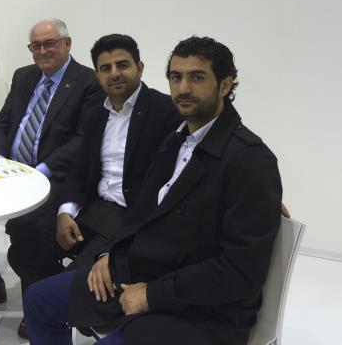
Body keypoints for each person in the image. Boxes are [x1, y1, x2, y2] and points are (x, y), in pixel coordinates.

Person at [23, 36, 283, 345]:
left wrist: (152, 295)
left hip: (202, 308)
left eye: (197, 77)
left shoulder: (250, 161)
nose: (183, 88)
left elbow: (240, 273)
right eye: (176, 77)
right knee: (38, 300)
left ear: (225, 85)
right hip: (148, 270)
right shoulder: (176, 141)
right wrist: (112, 254)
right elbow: (143, 213)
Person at [7, 33, 180, 328]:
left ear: (139, 68)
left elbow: (176, 177)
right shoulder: (97, 114)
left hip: (130, 216)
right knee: (24, 243)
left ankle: (61, 308)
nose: (114, 74)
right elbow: (79, 168)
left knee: (67, 289)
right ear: (97, 75)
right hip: (92, 209)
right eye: (105, 68)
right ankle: (56, 308)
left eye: (122, 65)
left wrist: (115, 251)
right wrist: (65, 212)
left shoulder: (166, 112)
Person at [0, 19, 103, 324]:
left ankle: (41, 305)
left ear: (67, 44)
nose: (42, 51)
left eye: (50, 44)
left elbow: (83, 140)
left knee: (28, 232)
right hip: (10, 171)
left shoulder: (88, 81)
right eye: (36, 46)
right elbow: (3, 122)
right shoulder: (24, 76)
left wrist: (39, 171)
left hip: (55, 178)